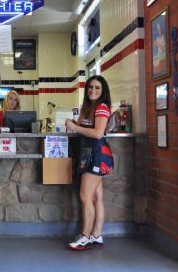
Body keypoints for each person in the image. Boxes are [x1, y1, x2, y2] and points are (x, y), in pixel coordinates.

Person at [65, 75, 114, 251]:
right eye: (91, 87)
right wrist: (75, 125)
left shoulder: (102, 107)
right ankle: (96, 235)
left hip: (97, 155)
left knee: (85, 196)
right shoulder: (88, 107)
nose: (93, 90)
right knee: (96, 197)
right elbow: (82, 128)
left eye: (97, 88)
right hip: (90, 154)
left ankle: (85, 236)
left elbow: (98, 133)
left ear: (103, 91)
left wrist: (74, 127)